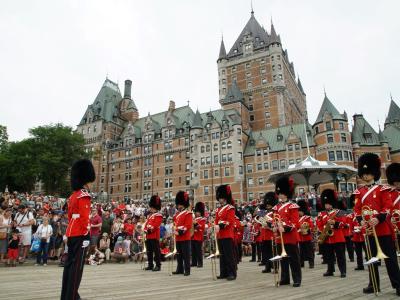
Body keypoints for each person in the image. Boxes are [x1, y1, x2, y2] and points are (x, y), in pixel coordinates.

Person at [354, 153, 400, 295]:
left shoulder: (383, 189)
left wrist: (378, 218)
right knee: (371, 259)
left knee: (390, 259)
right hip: (368, 230)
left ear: (374, 173)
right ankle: (373, 284)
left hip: (383, 229)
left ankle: (398, 284)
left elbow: (388, 207)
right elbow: (357, 210)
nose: (366, 176)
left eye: (368, 173)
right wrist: (361, 220)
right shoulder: (359, 192)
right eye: (364, 174)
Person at [61, 159, 96, 300]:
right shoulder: (84, 195)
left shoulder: (73, 195)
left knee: (69, 266)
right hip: (81, 234)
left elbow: (71, 216)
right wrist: (86, 235)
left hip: (71, 232)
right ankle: (73, 297)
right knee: (77, 268)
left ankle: (67, 295)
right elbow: (84, 218)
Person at [272, 176, 301, 287]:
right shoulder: (276, 207)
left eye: (282, 193)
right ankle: (285, 278)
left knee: (294, 260)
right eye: (279, 193)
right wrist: (274, 226)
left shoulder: (292, 206)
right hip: (280, 238)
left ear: (286, 193)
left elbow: (295, 223)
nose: (280, 195)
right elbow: (275, 220)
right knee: (283, 260)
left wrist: (285, 227)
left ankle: (297, 279)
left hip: (290, 236)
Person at [215, 184, 236, 281]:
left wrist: (219, 225)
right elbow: (216, 221)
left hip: (227, 234)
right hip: (220, 235)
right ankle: (223, 272)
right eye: (219, 198)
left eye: (221, 197)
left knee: (229, 255)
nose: (220, 199)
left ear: (225, 198)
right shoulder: (218, 209)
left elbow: (230, 221)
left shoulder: (230, 208)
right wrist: (215, 226)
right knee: (222, 255)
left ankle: (232, 273)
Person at [172, 191, 193, 276]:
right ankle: (179, 269)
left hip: (184, 237)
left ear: (183, 204)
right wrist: (174, 230)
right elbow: (175, 225)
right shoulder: (177, 215)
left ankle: (187, 270)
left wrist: (179, 232)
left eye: (179, 204)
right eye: (178, 204)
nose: (178, 206)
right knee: (179, 255)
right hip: (178, 237)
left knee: (186, 255)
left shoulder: (188, 213)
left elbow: (188, 225)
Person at [144, 195, 163, 271]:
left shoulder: (158, 215)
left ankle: (158, 265)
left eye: (151, 207)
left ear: (154, 207)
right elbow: (146, 224)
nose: (150, 208)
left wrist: (149, 230)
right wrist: (145, 229)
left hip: (154, 236)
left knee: (156, 251)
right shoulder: (150, 216)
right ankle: (150, 264)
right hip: (148, 236)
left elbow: (156, 225)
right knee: (149, 251)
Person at [261, 192, 277, 273]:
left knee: (273, 252)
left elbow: (274, 223)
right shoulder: (264, 212)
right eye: (266, 204)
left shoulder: (274, 212)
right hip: (265, 235)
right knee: (266, 253)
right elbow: (259, 220)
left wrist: (269, 226)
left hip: (271, 235)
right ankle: (267, 267)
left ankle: (275, 267)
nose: (267, 206)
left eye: (269, 204)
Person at [297, 199, 315, 269]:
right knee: (301, 251)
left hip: (307, 237)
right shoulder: (297, 218)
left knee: (309, 251)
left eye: (300, 211)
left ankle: (311, 263)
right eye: (298, 211)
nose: (299, 213)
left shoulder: (307, 218)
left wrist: (305, 229)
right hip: (300, 237)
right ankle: (301, 263)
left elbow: (311, 226)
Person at [191, 202, 206, 268]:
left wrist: (196, 224)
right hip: (193, 236)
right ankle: (194, 262)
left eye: (198, 212)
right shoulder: (194, 219)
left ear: (201, 213)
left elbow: (201, 227)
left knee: (198, 251)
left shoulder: (202, 219)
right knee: (193, 250)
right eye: (196, 212)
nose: (196, 213)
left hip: (198, 236)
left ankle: (200, 263)